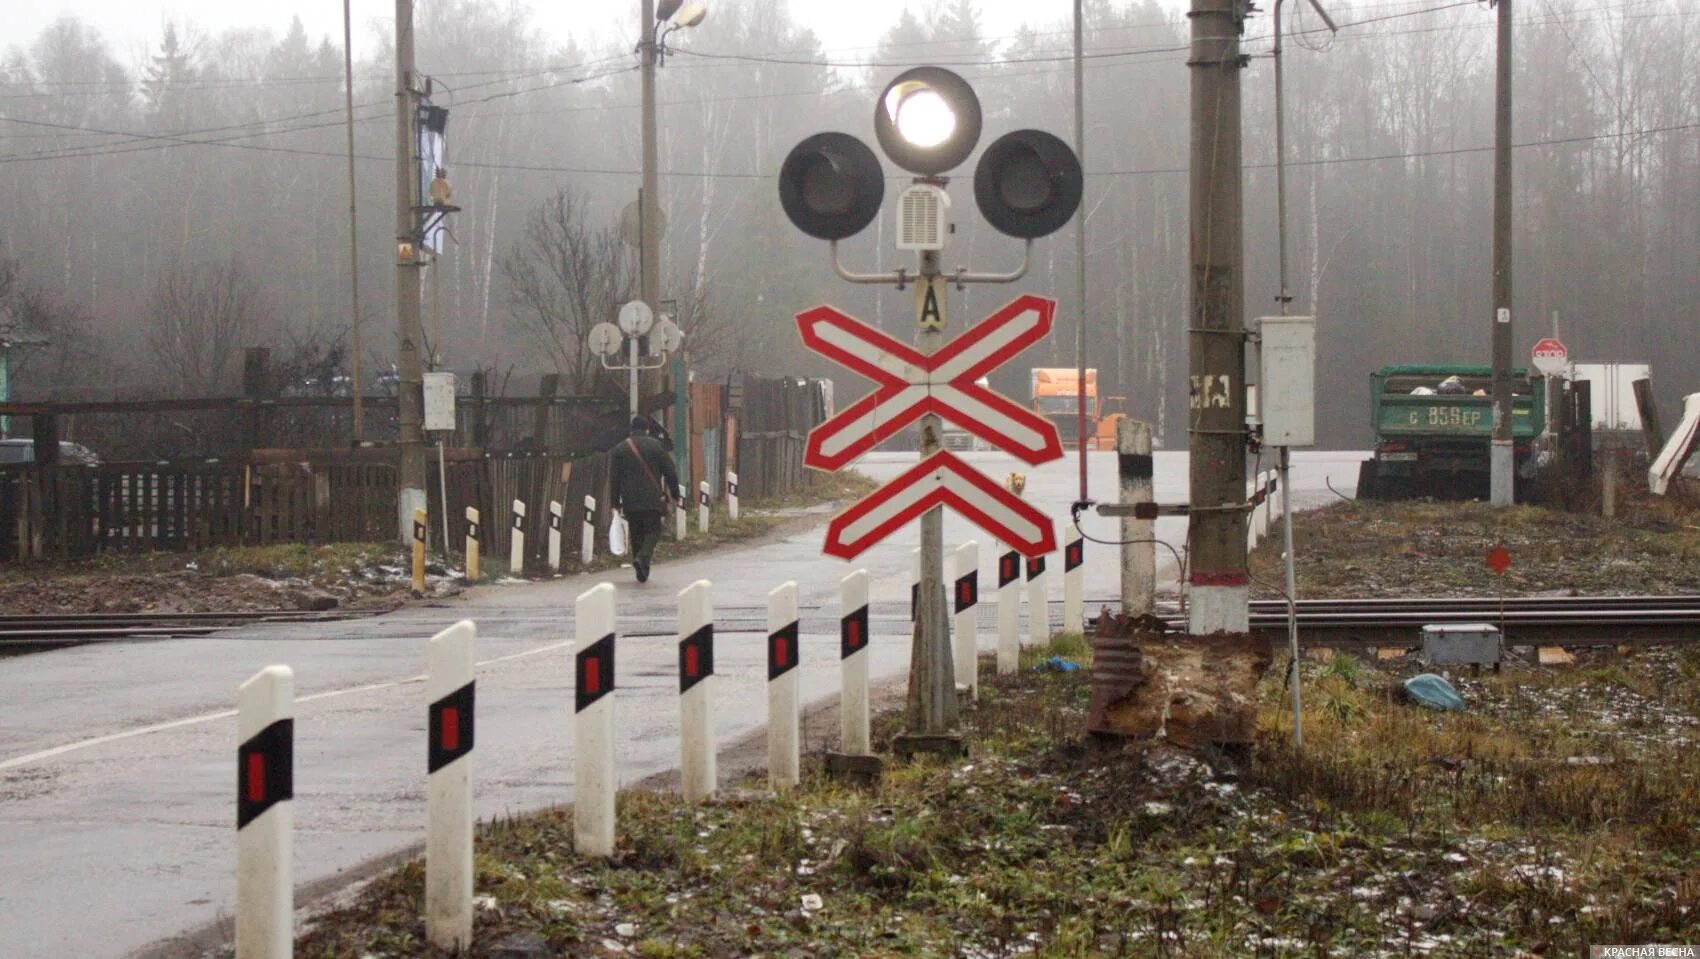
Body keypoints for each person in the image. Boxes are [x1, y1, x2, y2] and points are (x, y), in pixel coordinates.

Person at [608, 415, 681, 582]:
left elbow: (614, 479)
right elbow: (670, 472)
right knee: (653, 530)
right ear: (647, 429)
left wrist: (614, 503)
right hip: (652, 499)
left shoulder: (619, 449)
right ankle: (643, 557)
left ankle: (641, 570)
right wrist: (675, 494)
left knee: (636, 533)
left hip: (630, 500)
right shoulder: (656, 446)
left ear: (631, 430)